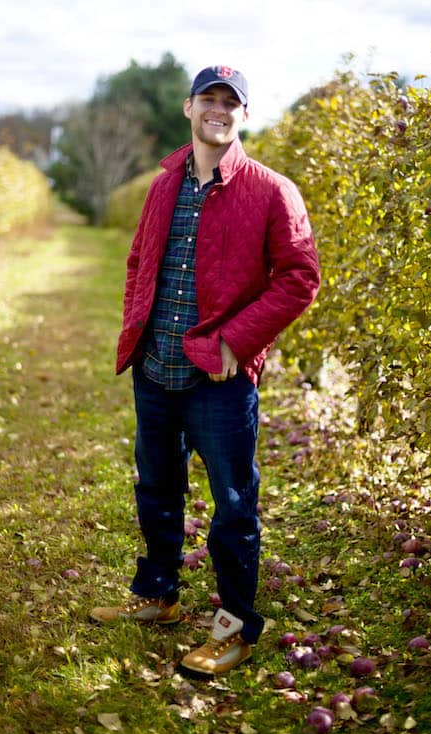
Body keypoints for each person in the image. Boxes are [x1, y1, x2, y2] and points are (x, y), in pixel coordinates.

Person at [90, 65, 320, 677]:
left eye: (230, 102)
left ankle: (236, 627)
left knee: (233, 504)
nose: (218, 110)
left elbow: (300, 279)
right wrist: (135, 329)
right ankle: (159, 594)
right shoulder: (164, 184)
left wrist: (236, 343)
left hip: (218, 378)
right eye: (208, 99)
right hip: (155, 367)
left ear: (243, 116)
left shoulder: (273, 191)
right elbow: (141, 260)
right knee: (156, 487)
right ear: (189, 108)